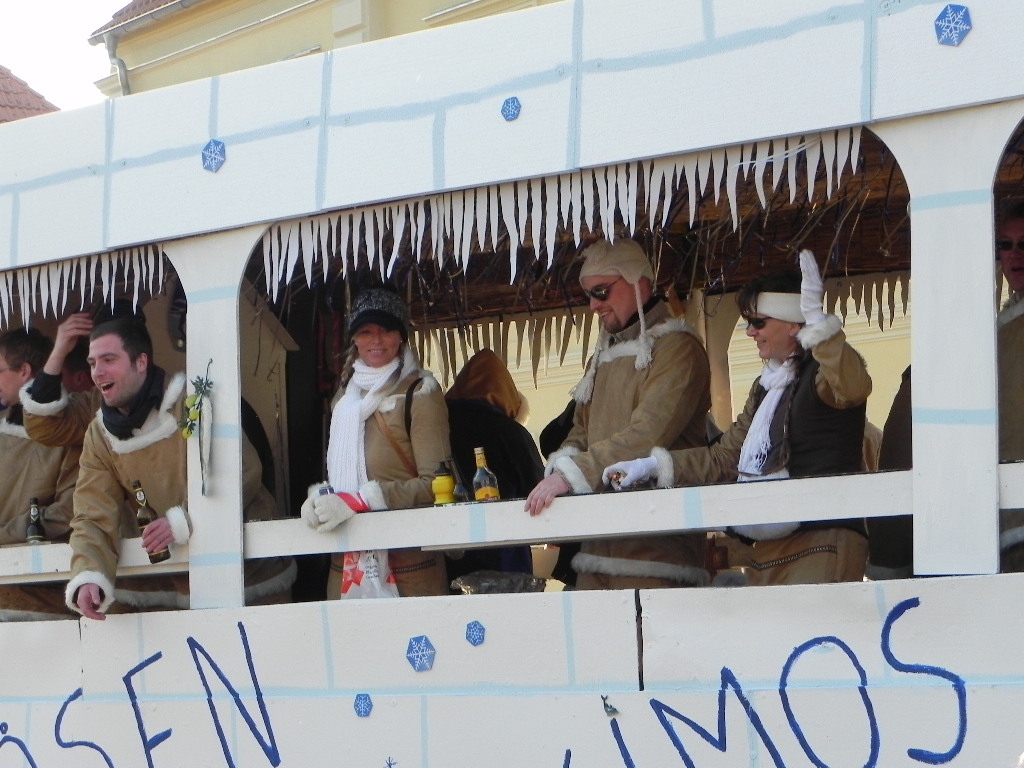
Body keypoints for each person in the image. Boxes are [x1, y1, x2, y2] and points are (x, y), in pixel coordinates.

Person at [605, 251, 871, 586]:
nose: (750, 332)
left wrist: (821, 329)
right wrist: (653, 466)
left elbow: (853, 386)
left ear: (793, 323)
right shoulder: (766, 386)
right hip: (769, 546)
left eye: (758, 322)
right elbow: (723, 457)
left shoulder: (822, 374)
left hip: (821, 541)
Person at [66, 318, 295, 620]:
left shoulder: (194, 403)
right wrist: (89, 575)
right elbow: (92, 514)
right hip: (166, 587)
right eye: (93, 363)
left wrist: (183, 519)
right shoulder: (99, 435)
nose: (97, 372)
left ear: (141, 362)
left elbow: (242, 470)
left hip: (250, 577)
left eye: (109, 360)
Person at [524, 238, 713, 590]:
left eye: (602, 291)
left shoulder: (678, 348)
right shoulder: (604, 355)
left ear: (638, 282)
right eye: (589, 295)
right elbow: (581, 430)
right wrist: (564, 464)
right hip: (598, 542)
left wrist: (572, 474)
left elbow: (647, 434)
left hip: (657, 547)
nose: (594, 305)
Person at [302, 288, 451, 598]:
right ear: (354, 339)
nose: (376, 340)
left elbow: (437, 484)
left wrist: (360, 500)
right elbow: (340, 480)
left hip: (408, 569)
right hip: (347, 569)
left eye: (386, 329)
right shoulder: (345, 398)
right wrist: (320, 499)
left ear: (401, 336)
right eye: (366, 331)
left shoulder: (420, 393)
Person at [0, 329, 79, 620]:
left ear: (24, 371)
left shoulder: (71, 435)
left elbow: (70, 511)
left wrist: (7, 535)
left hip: (49, 590)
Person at [445, 348, 543, 578]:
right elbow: (536, 487)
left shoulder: (438, 428)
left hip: (448, 548)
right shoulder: (510, 432)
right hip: (504, 550)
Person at [996, 203, 1024, 570]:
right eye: (1005, 244)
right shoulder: (1002, 329)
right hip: (1006, 511)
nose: (1014, 254)